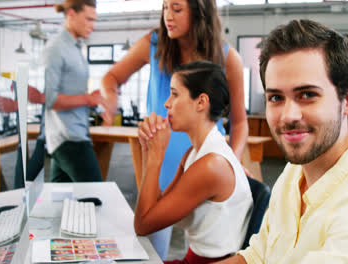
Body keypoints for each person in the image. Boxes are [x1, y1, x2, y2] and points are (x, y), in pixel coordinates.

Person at [216, 19, 348, 264]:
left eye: (308, 95)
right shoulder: (293, 174)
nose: (289, 116)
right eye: (276, 97)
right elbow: (257, 256)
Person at [101, 0, 248, 258]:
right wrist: (110, 98)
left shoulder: (227, 57)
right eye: (165, 7)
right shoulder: (154, 44)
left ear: (199, 12)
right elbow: (111, 77)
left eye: (177, 9)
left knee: (182, 230)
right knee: (151, 244)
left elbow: (239, 122)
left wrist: (232, 165)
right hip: (160, 155)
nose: (168, 16)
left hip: (199, 162)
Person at [135, 61, 253, 264]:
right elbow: (156, 209)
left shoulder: (211, 165)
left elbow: (144, 225)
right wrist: (148, 149)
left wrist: (157, 155)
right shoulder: (195, 153)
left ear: (201, 102)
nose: (167, 103)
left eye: (175, 94)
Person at [44, 0, 108, 182]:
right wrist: (88, 99)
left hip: (74, 134)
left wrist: (93, 98)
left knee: (60, 199)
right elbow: (50, 99)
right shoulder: (56, 49)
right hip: (68, 138)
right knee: (96, 196)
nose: (92, 26)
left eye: (94, 20)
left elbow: (73, 92)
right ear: (71, 14)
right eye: (88, 19)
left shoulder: (75, 49)